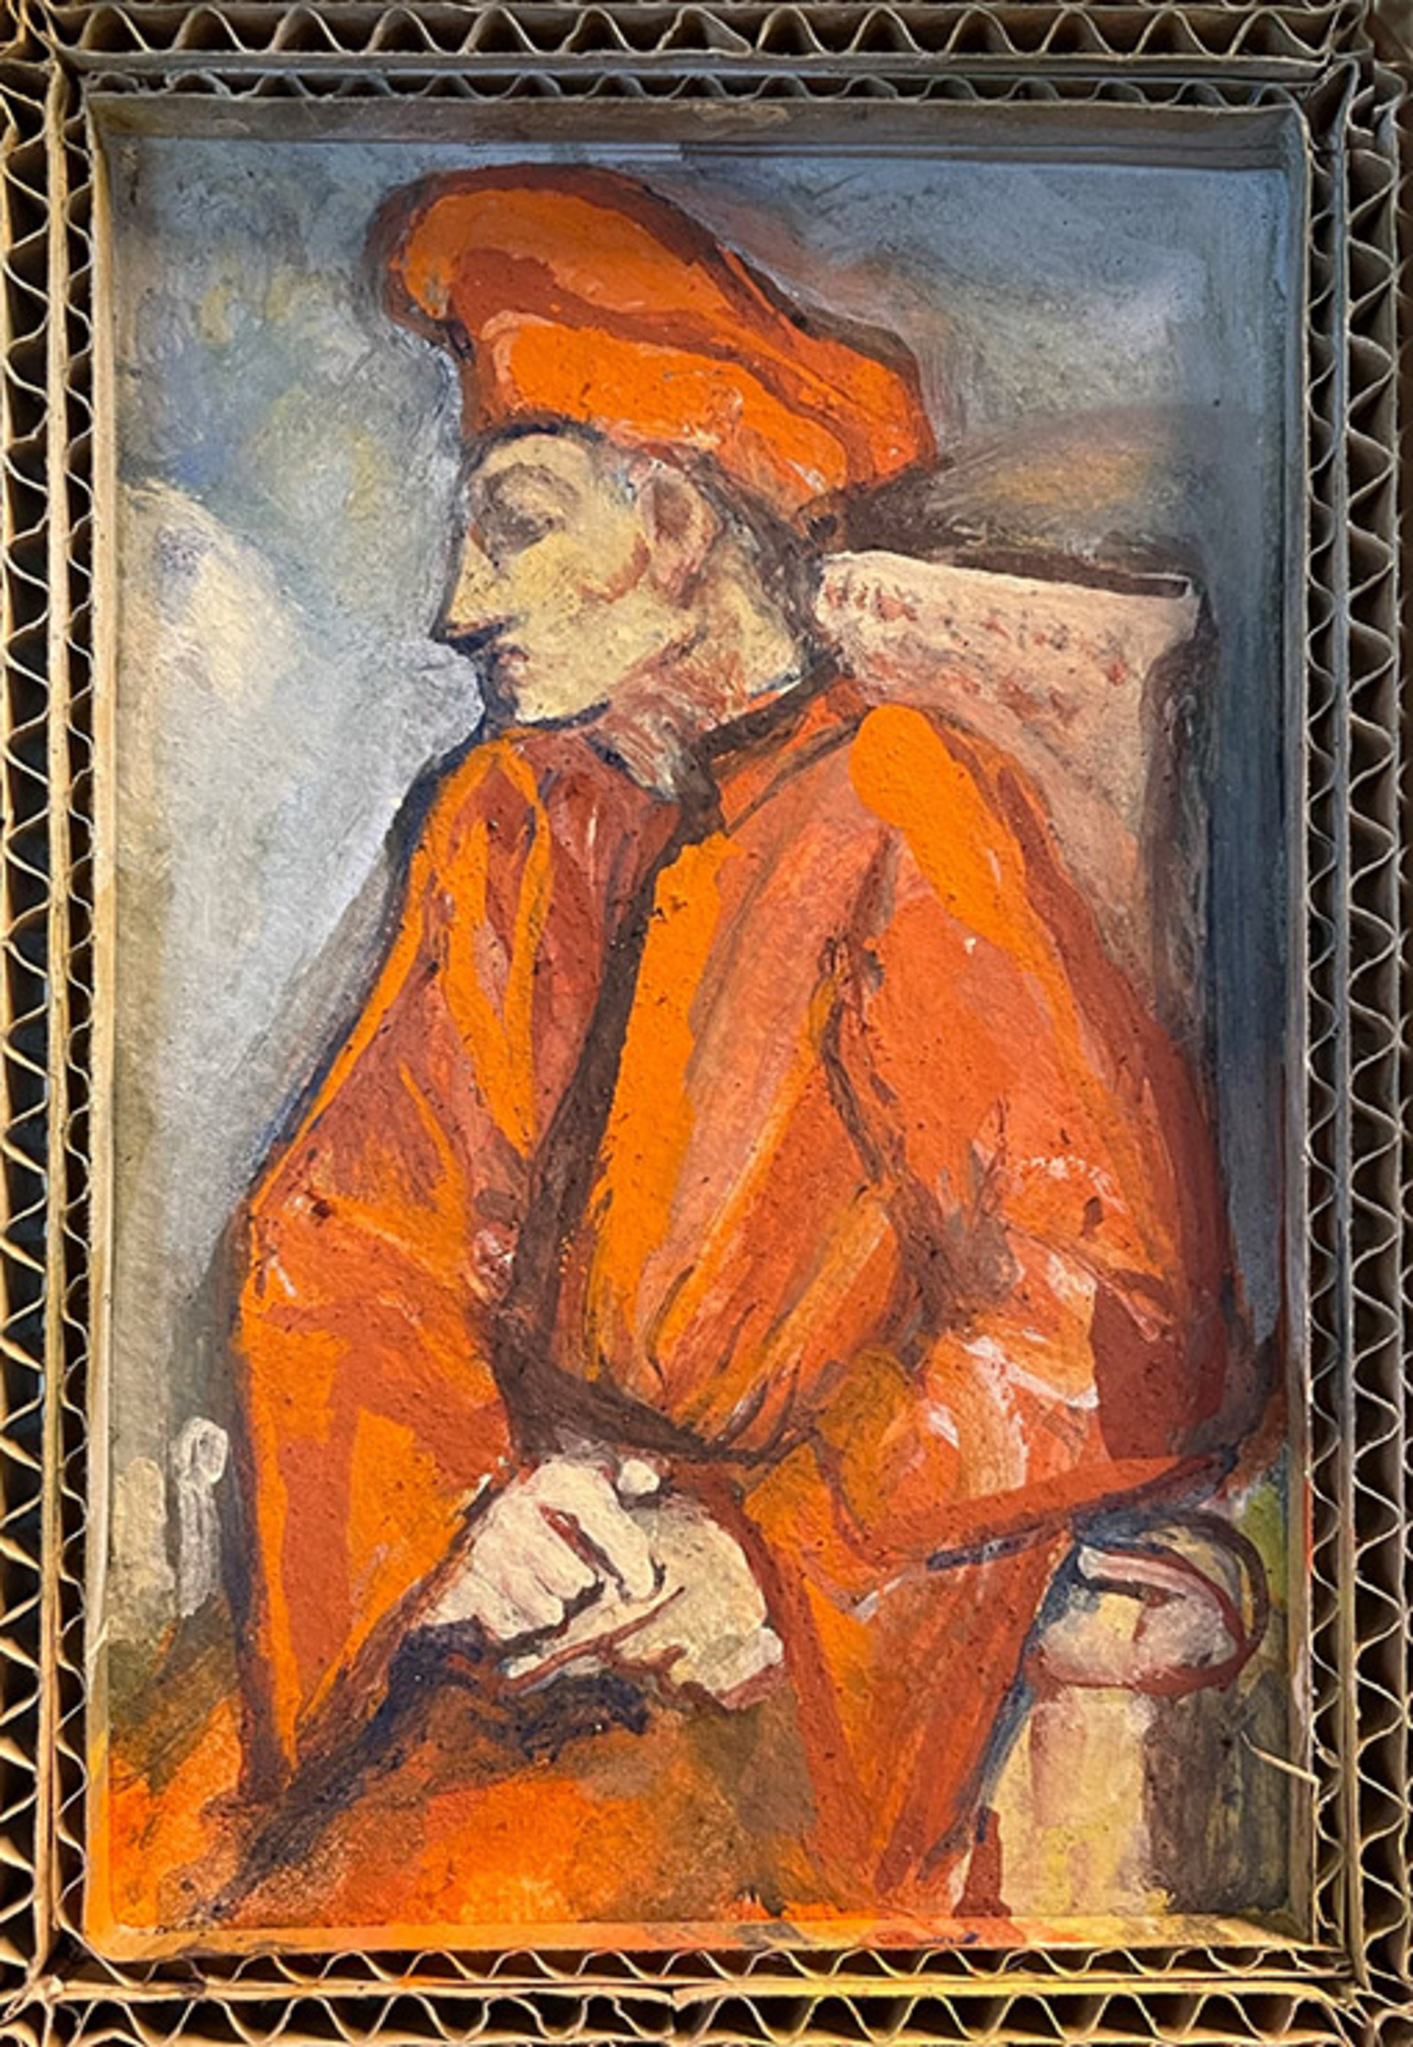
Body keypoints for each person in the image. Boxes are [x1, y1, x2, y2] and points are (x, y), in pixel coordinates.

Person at [91, 166, 1263, 1948]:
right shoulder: (499, 819)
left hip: (778, 1648)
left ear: (677, 524)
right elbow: (347, 1233)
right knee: (121, 1849)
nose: (456, 604)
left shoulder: (910, 811)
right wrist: (466, 1506)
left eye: (516, 525)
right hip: (495, 1585)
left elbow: (1109, 1313)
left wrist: (770, 1549)